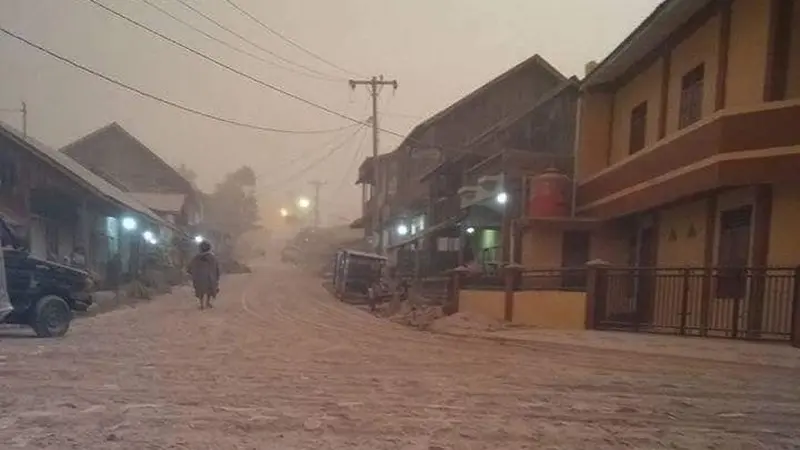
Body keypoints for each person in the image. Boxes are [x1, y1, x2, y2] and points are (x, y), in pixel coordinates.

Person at [187, 241, 220, 310]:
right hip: (210, 278)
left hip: (199, 278)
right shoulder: (212, 257)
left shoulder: (196, 258)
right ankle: (207, 303)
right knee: (209, 290)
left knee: (200, 291)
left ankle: (201, 304)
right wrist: (217, 276)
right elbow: (216, 268)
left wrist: (192, 274)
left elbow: (190, 267)